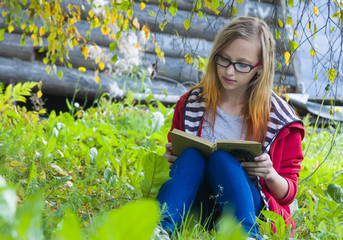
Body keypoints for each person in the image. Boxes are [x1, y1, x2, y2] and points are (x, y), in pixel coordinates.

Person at [156, 16, 305, 239]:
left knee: (222, 160)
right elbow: (175, 164)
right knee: (192, 156)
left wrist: (270, 174)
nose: (229, 71)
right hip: (198, 203)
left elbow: (288, 193)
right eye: (223, 59)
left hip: (249, 208)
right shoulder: (191, 103)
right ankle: (159, 228)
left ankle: (247, 234)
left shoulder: (281, 119)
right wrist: (170, 161)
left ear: (259, 68)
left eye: (242, 64)